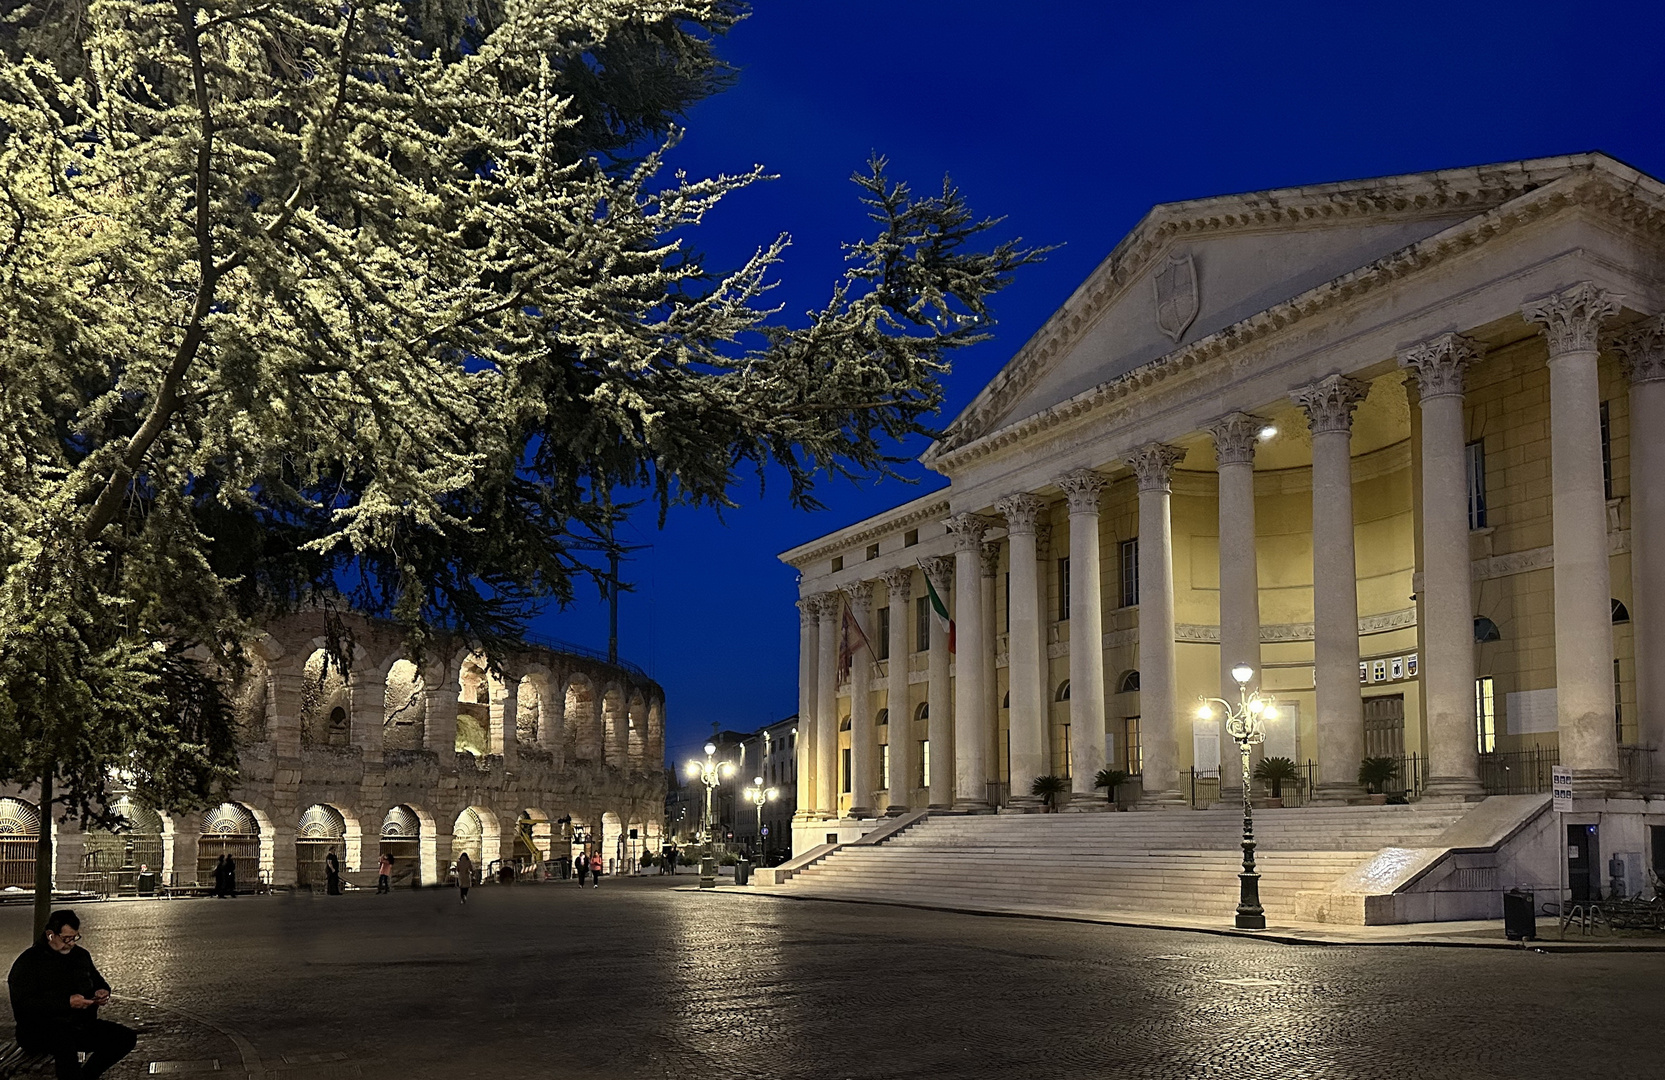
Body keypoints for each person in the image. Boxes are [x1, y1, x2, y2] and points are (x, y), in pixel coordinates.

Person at [7, 910, 138, 1080]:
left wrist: (101, 992)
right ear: (50, 935)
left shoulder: (80, 956)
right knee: (64, 1044)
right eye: (66, 938)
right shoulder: (29, 962)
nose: (70, 944)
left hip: (79, 1024)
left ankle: (87, 1077)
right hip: (39, 1030)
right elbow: (24, 1004)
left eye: (75, 938)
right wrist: (66, 1003)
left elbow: (97, 981)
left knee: (124, 1037)